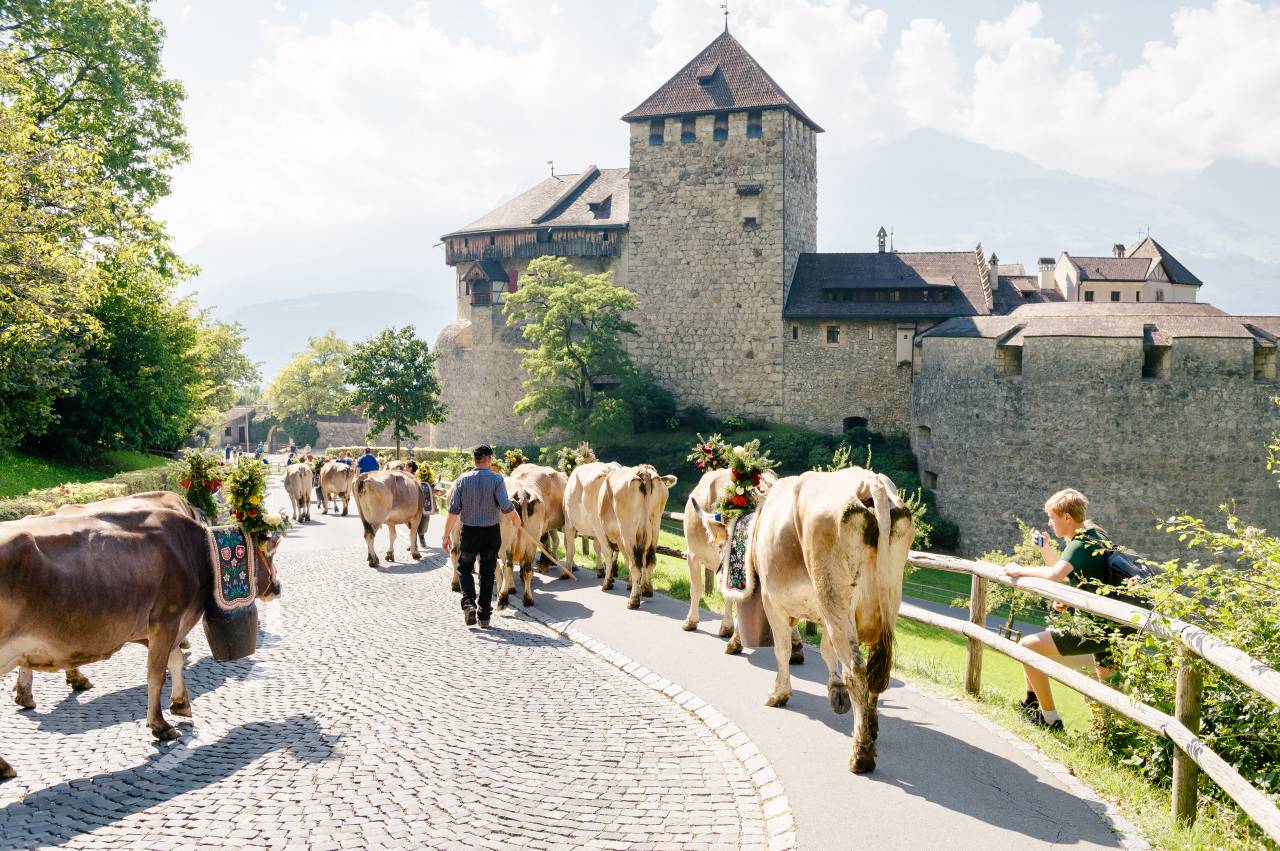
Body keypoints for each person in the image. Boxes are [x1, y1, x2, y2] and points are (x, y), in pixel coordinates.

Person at [1004, 488, 1129, 732]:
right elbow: (1070, 574)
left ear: (1067, 518)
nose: (1049, 523)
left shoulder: (1080, 544)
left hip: (1092, 628)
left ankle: (1048, 718)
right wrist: (1046, 550)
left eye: (1052, 517)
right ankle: (1111, 740)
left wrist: (1019, 569)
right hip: (1112, 630)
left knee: (1028, 647)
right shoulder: (1096, 536)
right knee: (1109, 697)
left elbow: (1054, 575)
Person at [441, 445, 522, 629]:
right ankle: (484, 617)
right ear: (490, 459)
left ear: (474, 460)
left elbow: (453, 511)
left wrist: (446, 536)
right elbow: (505, 504)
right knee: (487, 573)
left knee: (464, 568)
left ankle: (469, 603)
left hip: (469, 533)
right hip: (491, 533)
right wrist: (516, 520)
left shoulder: (462, 480)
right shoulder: (496, 479)